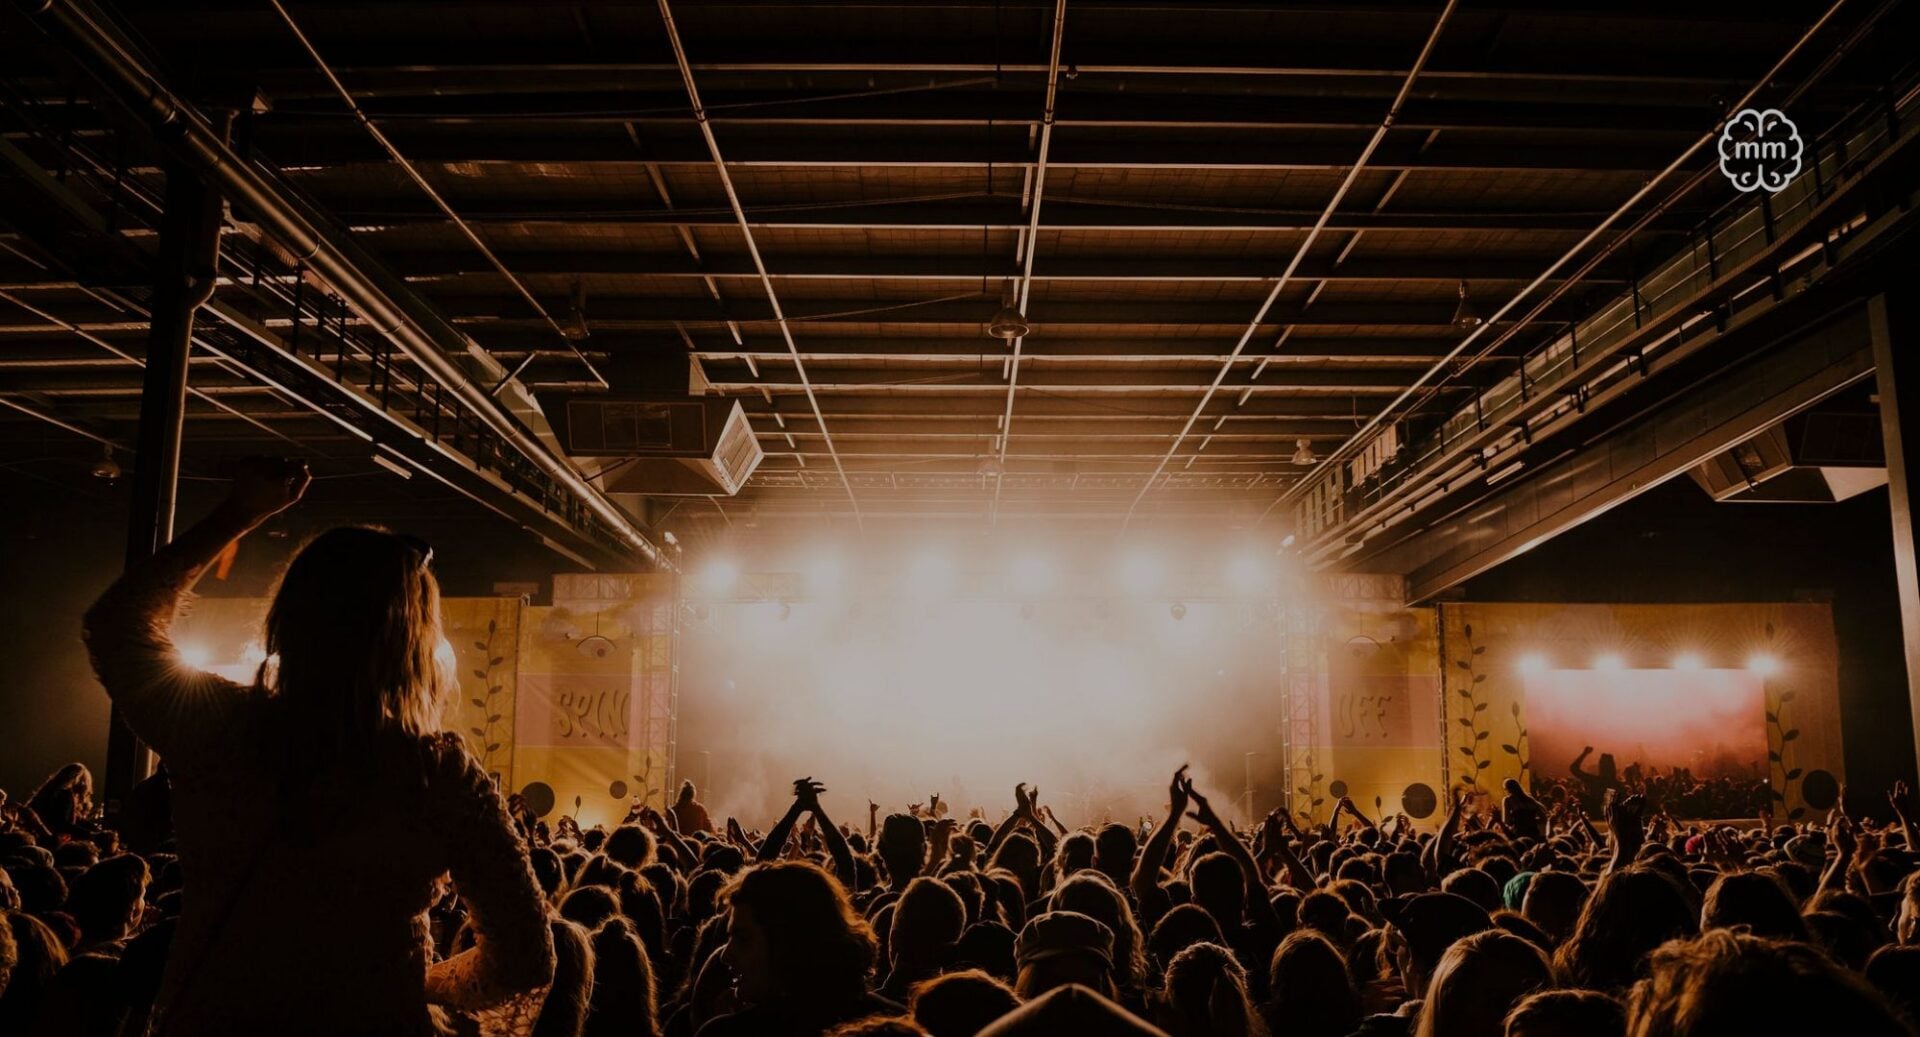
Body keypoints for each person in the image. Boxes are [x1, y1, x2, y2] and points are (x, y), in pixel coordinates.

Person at [81, 459, 554, 1034]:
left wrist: (238, 514)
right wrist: (416, 983)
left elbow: (114, 627)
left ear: (290, 619)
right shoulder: (438, 775)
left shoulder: (220, 729)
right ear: (412, 641)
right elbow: (527, 956)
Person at [700, 860, 898, 1036]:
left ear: (790, 939)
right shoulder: (897, 1024)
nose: (726, 955)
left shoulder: (726, 1033)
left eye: (744, 938)